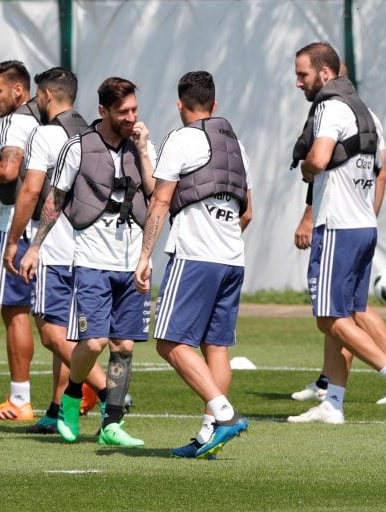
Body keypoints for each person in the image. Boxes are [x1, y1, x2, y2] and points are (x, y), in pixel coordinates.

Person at [287, 42, 386, 426]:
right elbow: (380, 170)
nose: (298, 82)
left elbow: (317, 158)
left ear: (326, 74)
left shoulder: (331, 107)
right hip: (363, 223)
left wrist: (308, 171)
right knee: (346, 313)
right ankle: (333, 403)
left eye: (303, 74)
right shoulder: (370, 115)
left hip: (338, 225)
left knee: (328, 319)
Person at [19, 77, 156, 446]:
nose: (131, 118)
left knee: (123, 347)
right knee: (93, 342)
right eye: (123, 112)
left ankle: (112, 424)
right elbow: (55, 200)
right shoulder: (77, 148)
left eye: (134, 110)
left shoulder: (144, 146)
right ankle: (72, 395)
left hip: (132, 264)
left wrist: (143, 152)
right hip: (91, 260)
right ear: (103, 111)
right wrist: (35, 247)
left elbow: (156, 196)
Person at [134, 71, 252, 459]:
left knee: (168, 340)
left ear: (179, 104)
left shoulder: (181, 138)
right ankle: (208, 434)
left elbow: (159, 199)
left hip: (194, 256)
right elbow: (247, 213)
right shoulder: (237, 146)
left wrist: (144, 256)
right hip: (232, 258)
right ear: (214, 105)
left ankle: (224, 414)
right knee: (215, 346)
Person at [2, 67, 107, 434]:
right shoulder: (93, 132)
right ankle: (58, 408)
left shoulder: (46, 133)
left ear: (45, 96)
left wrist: (16, 240)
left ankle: (109, 390)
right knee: (70, 331)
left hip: (54, 242)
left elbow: (31, 191)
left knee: (50, 331)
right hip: (91, 244)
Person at [0, 61, 41, 421]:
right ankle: (75, 395)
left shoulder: (16, 121)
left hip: (19, 226)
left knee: (15, 311)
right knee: (52, 317)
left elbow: (9, 170)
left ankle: (19, 400)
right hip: (51, 228)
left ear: (18, 90)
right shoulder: (46, 117)